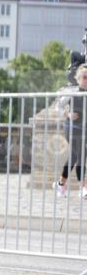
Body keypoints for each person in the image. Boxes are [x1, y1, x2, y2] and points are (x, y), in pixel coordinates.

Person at [54, 64, 87, 199]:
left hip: (84, 128)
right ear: (78, 79)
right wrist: (67, 114)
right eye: (84, 77)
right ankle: (83, 187)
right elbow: (58, 107)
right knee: (81, 154)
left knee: (74, 157)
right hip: (72, 128)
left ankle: (61, 183)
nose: (86, 80)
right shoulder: (72, 92)